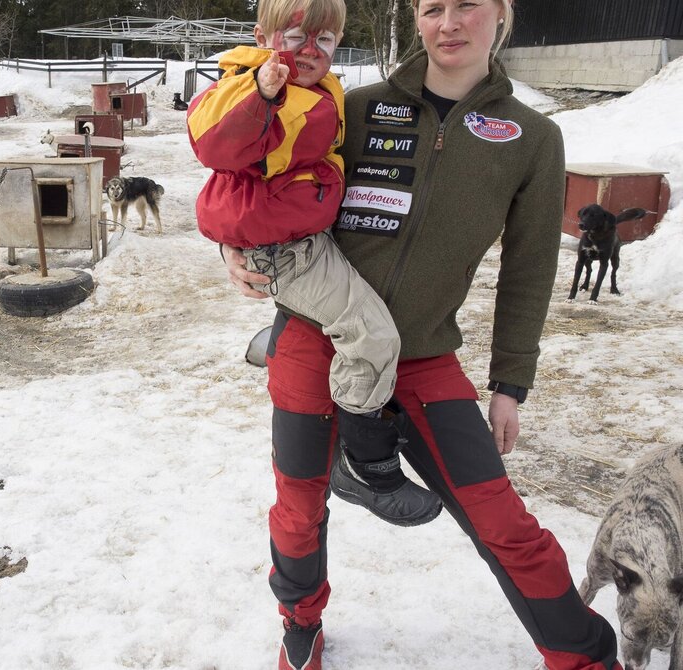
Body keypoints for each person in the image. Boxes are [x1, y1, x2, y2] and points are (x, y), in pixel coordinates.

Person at [219, 0, 624, 669]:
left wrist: (510, 383)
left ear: (501, 14)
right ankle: (300, 621)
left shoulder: (532, 138)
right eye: (433, 7)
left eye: (468, 5)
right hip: (315, 343)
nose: (450, 23)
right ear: (416, 17)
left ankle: (584, 656)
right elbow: (257, 180)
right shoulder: (351, 108)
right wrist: (231, 247)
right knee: (299, 506)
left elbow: (530, 268)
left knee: (503, 522)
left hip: (423, 357)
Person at [187, 0, 443, 532]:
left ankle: (278, 345)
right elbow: (214, 144)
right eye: (295, 36)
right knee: (371, 335)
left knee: (355, 324)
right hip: (286, 251)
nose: (308, 51)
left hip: (305, 238)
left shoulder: (323, 91)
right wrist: (260, 94)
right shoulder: (247, 87)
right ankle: (365, 463)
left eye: (323, 40)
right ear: (262, 36)